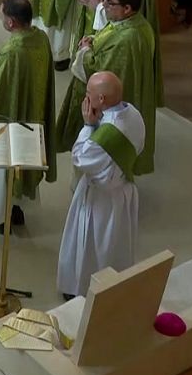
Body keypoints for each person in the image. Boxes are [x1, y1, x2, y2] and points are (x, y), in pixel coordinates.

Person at [58, 71, 144, 299]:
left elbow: (80, 157)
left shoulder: (105, 136)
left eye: (89, 94)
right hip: (122, 191)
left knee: (92, 246)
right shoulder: (133, 114)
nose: (85, 99)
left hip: (100, 198)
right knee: (115, 244)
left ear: (102, 100)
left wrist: (88, 125)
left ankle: (82, 289)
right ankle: (112, 286)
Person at [0, 0, 56, 232]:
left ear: (11, 22)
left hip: (8, 119)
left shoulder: (12, 51)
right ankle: (16, 206)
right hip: (31, 113)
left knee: (1, 168)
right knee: (23, 164)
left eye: (2, 16)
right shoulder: (40, 38)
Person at [61, 0, 161, 175]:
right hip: (126, 98)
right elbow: (107, 38)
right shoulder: (136, 23)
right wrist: (93, 40)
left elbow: (102, 73)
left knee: (98, 157)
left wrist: (86, 51)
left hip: (108, 110)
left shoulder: (128, 38)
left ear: (127, 8)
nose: (103, 4)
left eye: (109, 2)